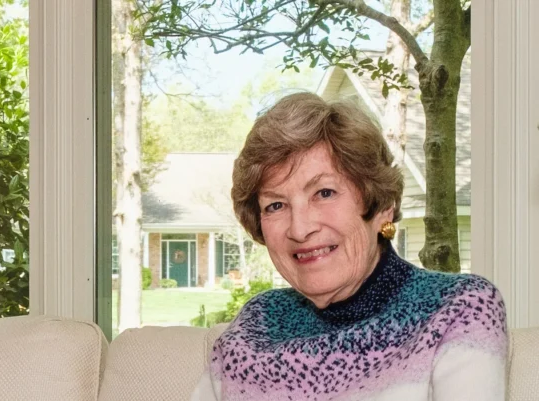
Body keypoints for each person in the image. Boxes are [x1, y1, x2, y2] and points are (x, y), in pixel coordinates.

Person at [190, 93, 507, 400]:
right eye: (275, 205)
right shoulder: (257, 322)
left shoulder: (457, 307)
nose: (300, 229)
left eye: (324, 193)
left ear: (380, 204)